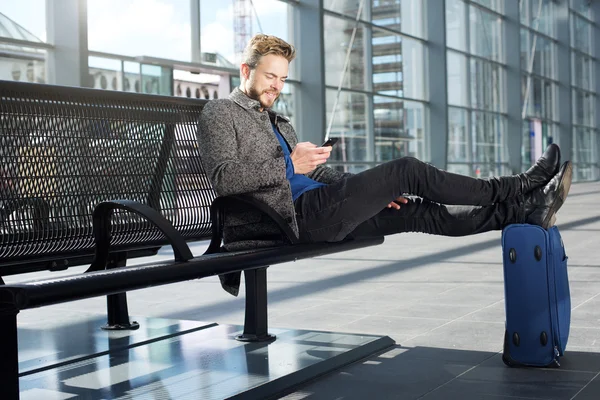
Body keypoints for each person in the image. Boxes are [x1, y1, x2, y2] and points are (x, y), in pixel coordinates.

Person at [198, 34, 572, 295]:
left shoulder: (277, 120)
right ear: (246, 72)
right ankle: (518, 185)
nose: (277, 85)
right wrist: (289, 164)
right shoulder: (220, 112)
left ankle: (523, 211)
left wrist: (370, 192)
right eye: (269, 76)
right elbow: (224, 178)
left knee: (417, 211)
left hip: (319, 206)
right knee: (407, 169)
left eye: (282, 78)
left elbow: (316, 173)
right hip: (289, 217)